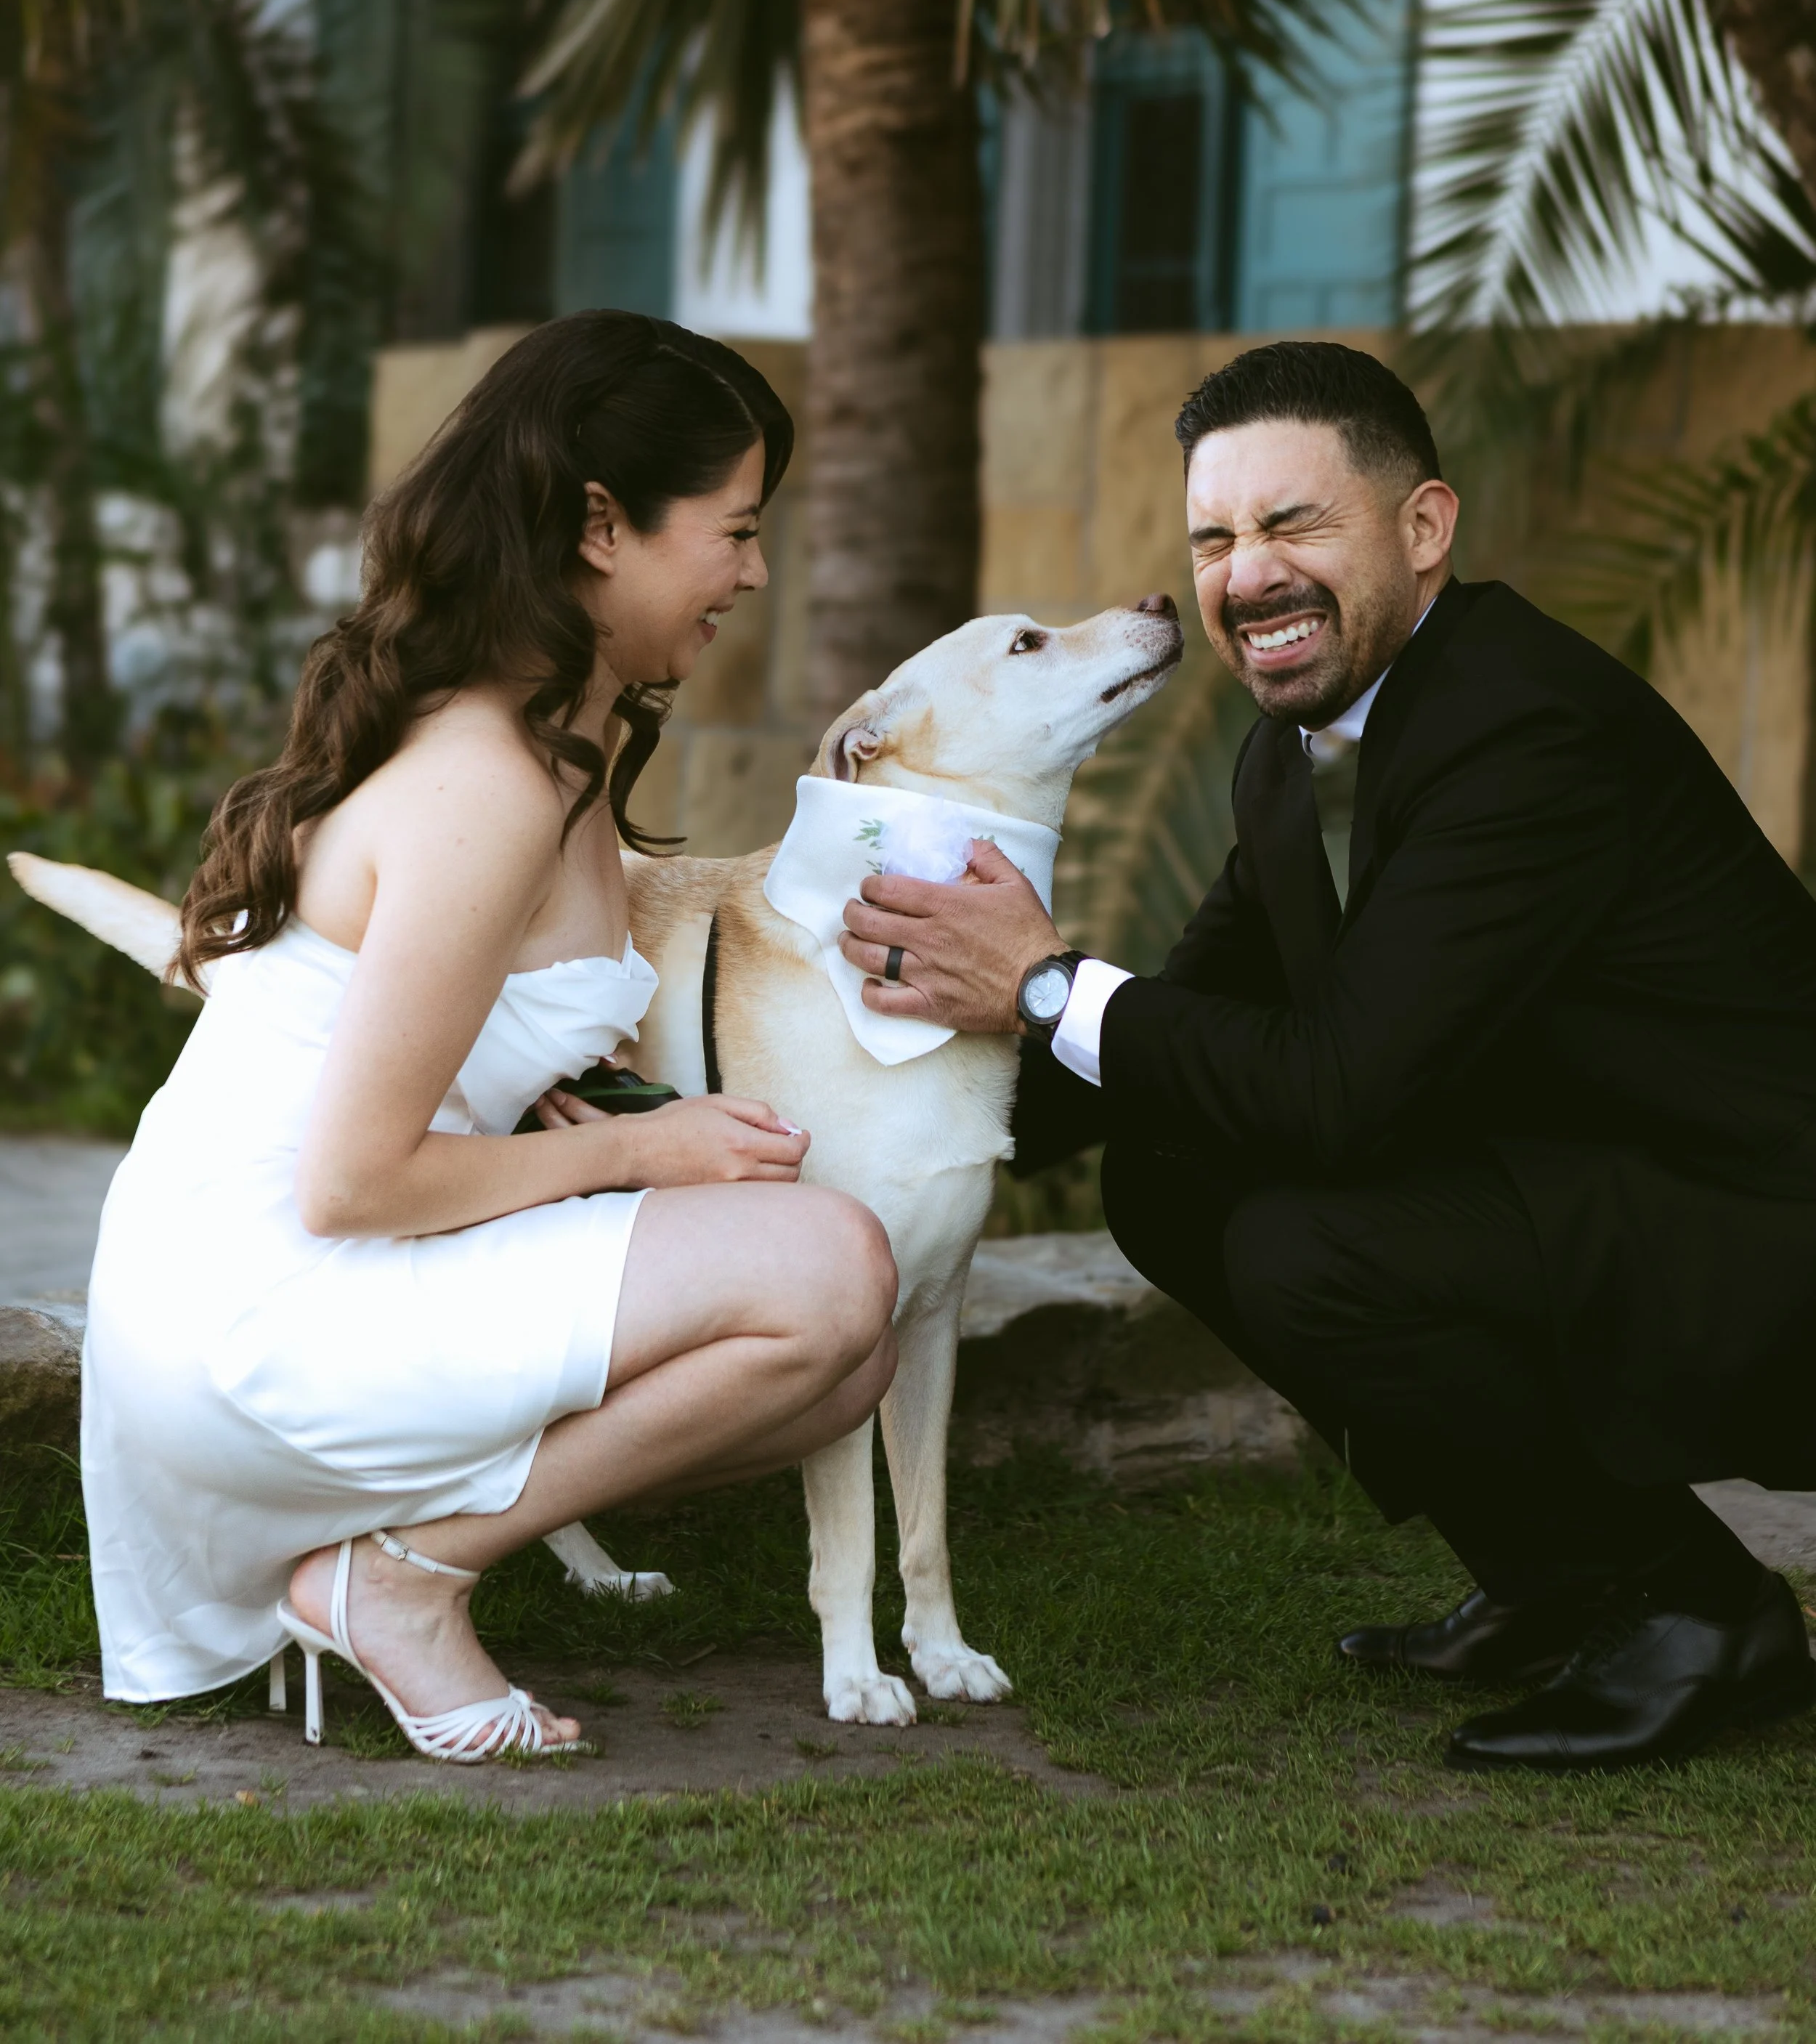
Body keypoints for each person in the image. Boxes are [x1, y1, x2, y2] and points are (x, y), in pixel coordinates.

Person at [838, 338, 1816, 1772]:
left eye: (1292, 524)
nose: (1244, 576)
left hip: (1754, 1229)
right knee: (1171, 1171)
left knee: (1309, 1247)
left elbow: (1340, 1092)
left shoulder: (1521, 732)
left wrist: (1043, 980)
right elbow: (1182, 1022)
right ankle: (1560, 1579)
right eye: (1214, 538)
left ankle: (1693, 1609)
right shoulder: (1294, 745)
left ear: (1422, 530)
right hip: (1594, 1176)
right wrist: (832, 1105)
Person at [83, 312, 898, 1761]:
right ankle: (399, 1581)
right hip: (263, 1307)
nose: (752, 573)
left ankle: (394, 1553)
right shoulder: (486, 785)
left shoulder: (551, 750)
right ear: (601, 525)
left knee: (850, 1359)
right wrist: (641, 1151)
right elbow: (351, 1181)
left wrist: (552, 1119)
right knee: (830, 1271)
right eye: (732, 529)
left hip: (313, 1278)